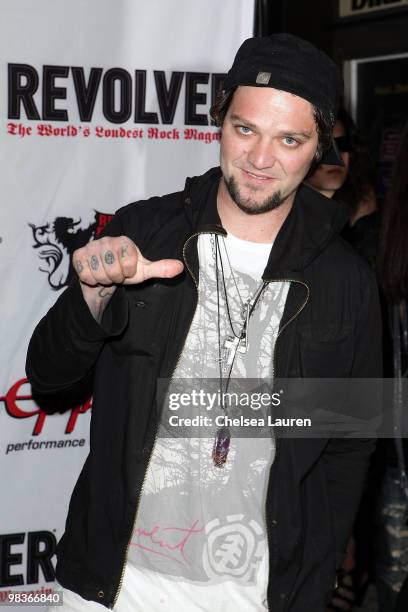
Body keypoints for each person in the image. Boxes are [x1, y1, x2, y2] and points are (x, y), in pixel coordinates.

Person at [26, 34, 382, 612]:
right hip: (111, 592)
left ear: (320, 149)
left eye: (289, 140)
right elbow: (46, 374)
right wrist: (91, 299)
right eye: (245, 129)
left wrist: (310, 587)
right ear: (219, 122)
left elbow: (350, 449)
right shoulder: (143, 230)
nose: (261, 159)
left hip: (251, 597)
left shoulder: (347, 282)